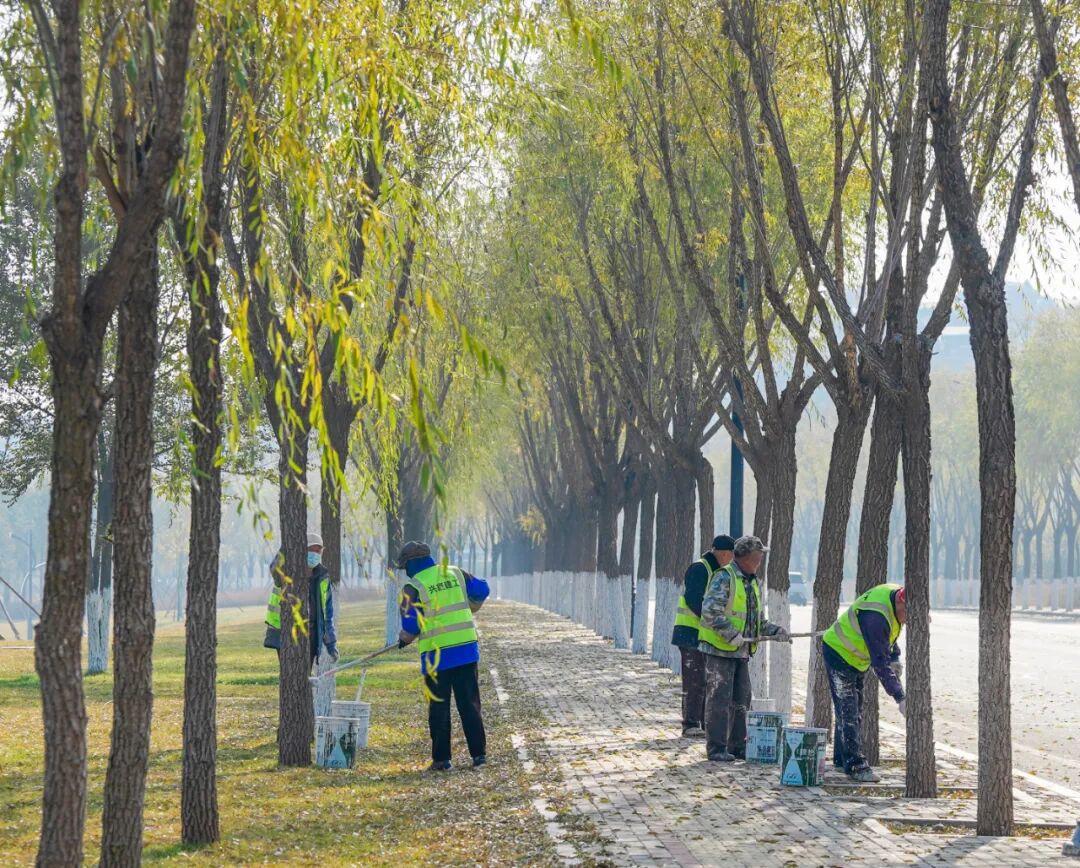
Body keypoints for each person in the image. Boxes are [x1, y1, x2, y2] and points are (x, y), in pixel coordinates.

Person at [395, 540, 490, 771]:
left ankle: (442, 760)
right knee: (469, 705)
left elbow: (412, 628)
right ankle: (479, 756)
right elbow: (482, 589)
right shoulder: (455, 573)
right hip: (466, 651)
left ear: (409, 564)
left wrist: (403, 638)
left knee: (439, 708)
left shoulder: (412, 588)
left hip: (437, 657)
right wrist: (472, 602)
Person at [698, 535, 789, 761]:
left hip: (740, 652)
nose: (760, 562)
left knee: (742, 699)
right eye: (758, 558)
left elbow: (756, 621)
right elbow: (710, 612)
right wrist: (731, 634)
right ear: (747, 557)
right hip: (719, 650)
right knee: (719, 699)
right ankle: (717, 748)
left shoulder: (751, 582)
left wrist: (775, 631)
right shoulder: (724, 577)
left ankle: (737, 746)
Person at [821, 583, 907, 783]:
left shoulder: (894, 599)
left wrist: (895, 656)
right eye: (908, 614)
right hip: (839, 652)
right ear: (901, 603)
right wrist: (899, 696)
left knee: (854, 710)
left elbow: (890, 635)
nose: (908, 620)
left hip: (856, 659)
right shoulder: (876, 617)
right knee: (848, 711)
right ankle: (856, 765)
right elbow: (879, 663)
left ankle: (842, 760)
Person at [672, 535, 735, 738]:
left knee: (705, 681)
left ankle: (702, 723)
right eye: (731, 556)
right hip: (690, 633)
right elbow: (693, 599)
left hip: (703, 635)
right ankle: (690, 723)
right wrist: (713, 620)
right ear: (724, 553)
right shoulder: (700, 568)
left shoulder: (716, 570)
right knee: (694, 680)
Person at [263, 532, 338, 665]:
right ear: (303, 550)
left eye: (318, 551)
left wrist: (331, 644)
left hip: (312, 635)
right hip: (285, 633)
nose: (315, 554)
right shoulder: (288, 570)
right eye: (311, 550)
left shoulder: (323, 577)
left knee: (306, 677)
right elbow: (274, 568)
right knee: (290, 674)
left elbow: (327, 614)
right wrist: (288, 543)